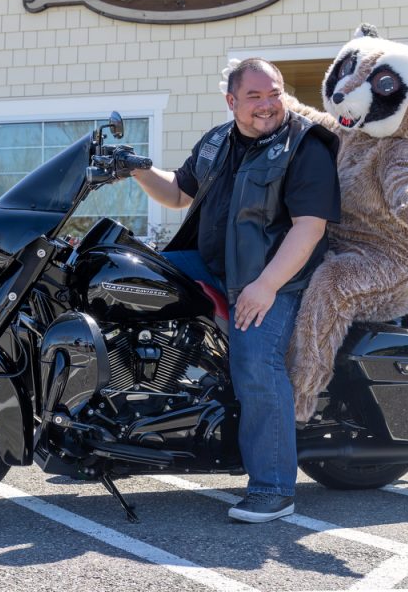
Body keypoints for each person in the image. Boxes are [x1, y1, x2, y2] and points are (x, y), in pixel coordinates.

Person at [131, 58, 339, 523]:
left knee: (255, 362)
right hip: (214, 262)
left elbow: (309, 228)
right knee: (126, 276)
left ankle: (273, 488)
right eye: (255, 96)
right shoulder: (216, 142)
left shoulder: (304, 145)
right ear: (232, 101)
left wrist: (265, 287)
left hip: (276, 276)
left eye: (274, 93)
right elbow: (179, 193)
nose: (267, 105)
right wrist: (138, 169)